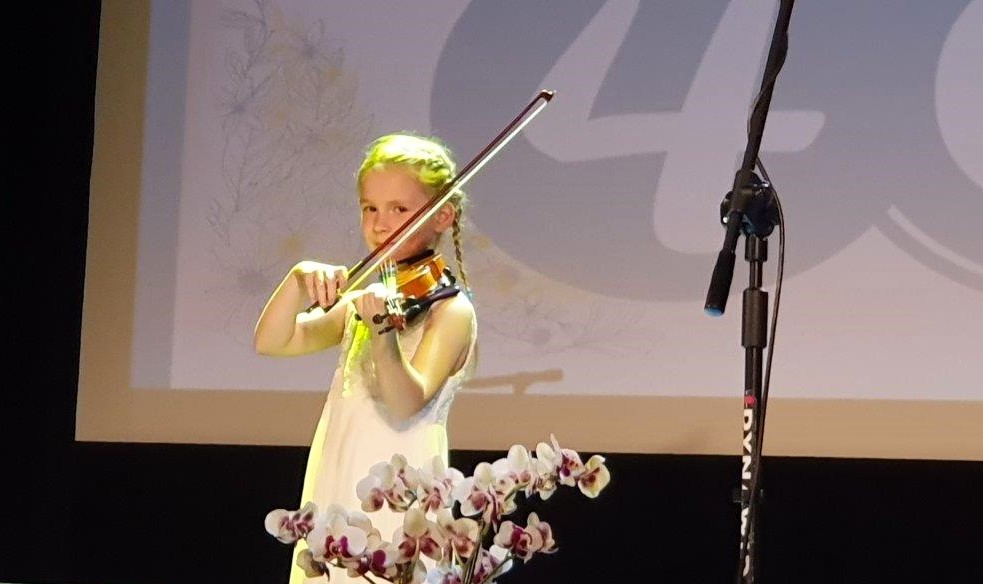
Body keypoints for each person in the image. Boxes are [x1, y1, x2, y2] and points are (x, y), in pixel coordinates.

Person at [254, 134, 477, 584]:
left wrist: (382, 332)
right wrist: (297, 283)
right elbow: (273, 341)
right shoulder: (367, 301)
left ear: (443, 215)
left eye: (400, 209)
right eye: (369, 208)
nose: (380, 224)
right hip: (340, 476)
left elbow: (405, 403)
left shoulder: (451, 311)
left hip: (400, 493)